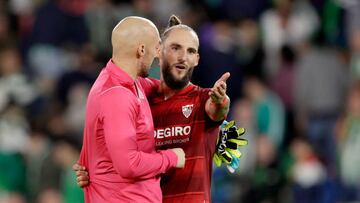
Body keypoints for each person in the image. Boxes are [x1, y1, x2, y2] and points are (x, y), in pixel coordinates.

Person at [74, 15, 238, 203]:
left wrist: (221, 101)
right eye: (175, 48)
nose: (183, 57)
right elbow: (107, 132)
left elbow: (217, 110)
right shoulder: (136, 92)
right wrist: (90, 169)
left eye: (191, 51)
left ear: (197, 59)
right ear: (158, 51)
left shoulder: (202, 99)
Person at [77, 16, 186, 203]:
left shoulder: (132, 83)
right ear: (141, 50)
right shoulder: (116, 95)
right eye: (156, 47)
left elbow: (170, 91)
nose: (158, 54)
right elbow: (129, 165)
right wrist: (172, 158)